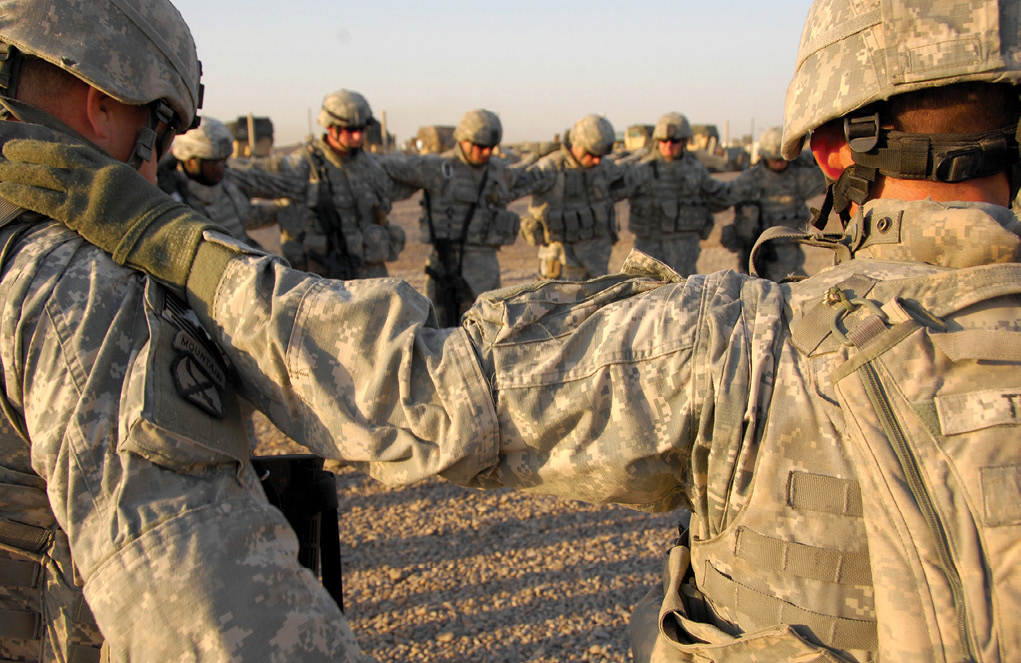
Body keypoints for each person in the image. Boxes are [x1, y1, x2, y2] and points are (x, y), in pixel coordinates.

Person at [2, 1, 1020, 662]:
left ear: (833, 149)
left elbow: (425, 396)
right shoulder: (100, 266)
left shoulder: (738, 341)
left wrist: (173, 250)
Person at [0, 1, 373, 661]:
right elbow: (203, 610)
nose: (152, 170)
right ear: (103, 104)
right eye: (162, 130)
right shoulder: (72, 284)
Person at [380, 109, 542, 326]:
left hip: (485, 267)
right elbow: (386, 168)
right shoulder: (437, 168)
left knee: (486, 327)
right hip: (445, 265)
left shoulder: (496, 171)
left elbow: (524, 176)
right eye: (479, 146)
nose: (485, 153)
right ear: (462, 140)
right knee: (440, 331)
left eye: (489, 148)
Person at [272, 88, 405, 279]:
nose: (358, 136)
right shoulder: (303, 166)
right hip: (322, 278)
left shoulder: (372, 166)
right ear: (331, 127)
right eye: (350, 130)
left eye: (362, 129)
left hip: (369, 275)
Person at [520, 113, 646, 280]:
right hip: (562, 266)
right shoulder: (551, 168)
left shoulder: (602, 167)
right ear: (576, 144)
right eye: (591, 154)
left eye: (600, 156)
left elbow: (625, 169)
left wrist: (647, 153)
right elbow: (512, 184)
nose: (596, 161)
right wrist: (533, 157)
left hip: (597, 263)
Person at [158, 115, 298, 246]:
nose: (220, 170)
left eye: (222, 162)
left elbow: (249, 215)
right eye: (212, 164)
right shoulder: (168, 195)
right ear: (190, 160)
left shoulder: (228, 180)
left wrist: (284, 209)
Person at [623, 112, 733, 276]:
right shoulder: (642, 170)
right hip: (649, 246)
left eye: (675, 141)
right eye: (663, 141)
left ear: (684, 142)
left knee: (683, 294)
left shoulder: (696, 170)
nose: (668, 145)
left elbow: (718, 195)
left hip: (684, 246)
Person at [720, 126, 826, 279]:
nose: (779, 163)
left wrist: (803, 156)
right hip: (754, 251)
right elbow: (721, 198)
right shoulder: (749, 179)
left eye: (783, 159)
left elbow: (828, 172)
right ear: (764, 156)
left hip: (787, 254)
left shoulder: (799, 178)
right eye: (774, 159)